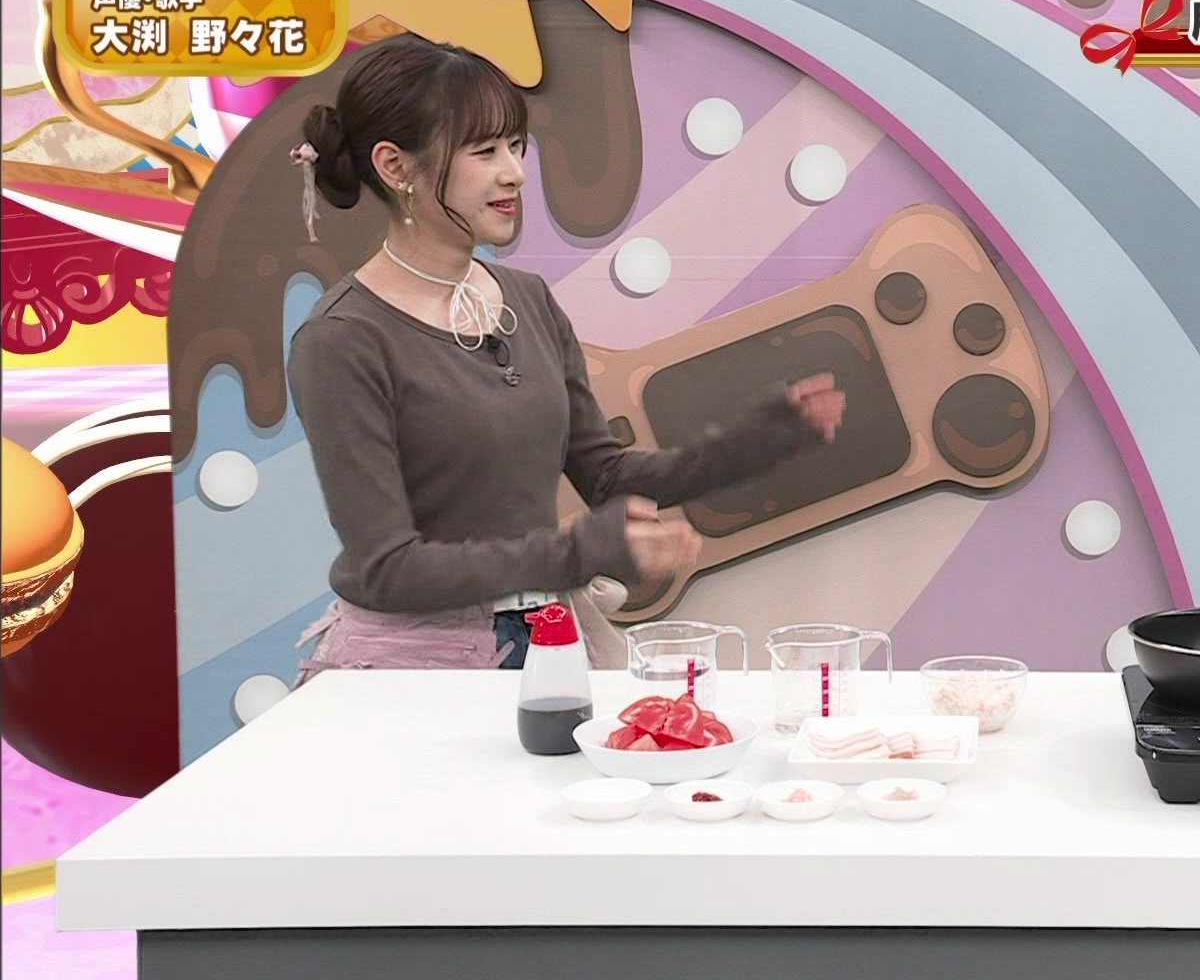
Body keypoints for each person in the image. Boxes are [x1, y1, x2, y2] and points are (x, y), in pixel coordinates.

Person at [284, 35, 845, 681]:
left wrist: (750, 444)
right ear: (395, 166)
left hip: (543, 646)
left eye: (515, 145)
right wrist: (579, 550)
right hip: (416, 675)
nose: (515, 172)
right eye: (484, 151)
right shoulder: (342, 338)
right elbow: (388, 567)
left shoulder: (527, 298)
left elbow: (604, 475)